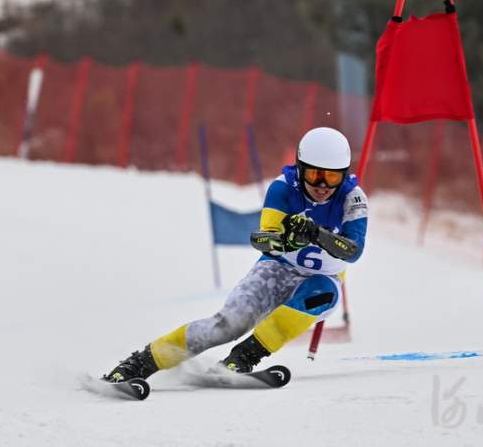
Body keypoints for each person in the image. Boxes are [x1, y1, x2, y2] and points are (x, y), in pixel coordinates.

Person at [104, 127, 368, 382]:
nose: (322, 185)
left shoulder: (353, 199)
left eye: (332, 178)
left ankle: (242, 358)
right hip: (278, 268)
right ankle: (140, 363)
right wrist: (287, 241)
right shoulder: (283, 188)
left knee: (319, 295)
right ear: (300, 169)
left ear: (344, 175)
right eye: (314, 175)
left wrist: (316, 234)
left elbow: (353, 251)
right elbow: (262, 240)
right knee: (229, 325)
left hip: (324, 279)